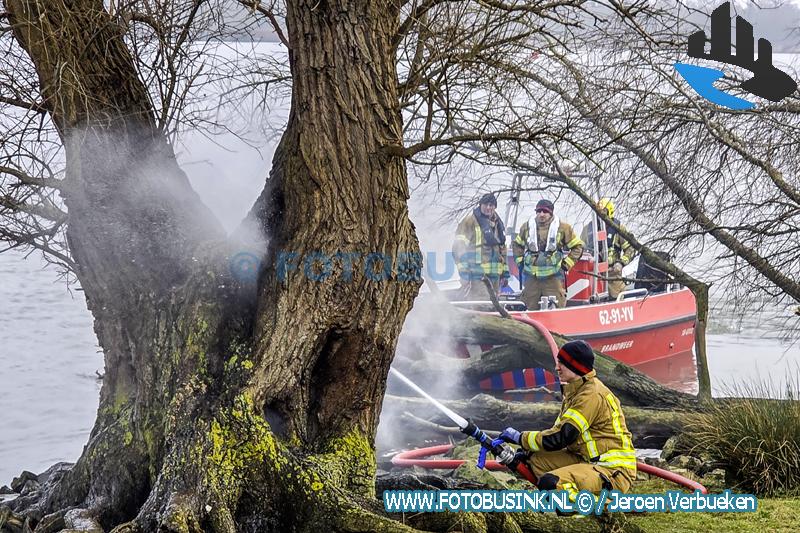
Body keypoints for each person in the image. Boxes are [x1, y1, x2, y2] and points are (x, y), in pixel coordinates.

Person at [498, 340, 636, 499]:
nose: (557, 367)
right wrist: (525, 449)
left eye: (562, 363)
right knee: (531, 459)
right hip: (586, 460)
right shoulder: (575, 393)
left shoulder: (590, 396)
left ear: (576, 366)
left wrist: (519, 437)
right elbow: (554, 433)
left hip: (612, 471)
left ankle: (602, 508)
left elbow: (560, 438)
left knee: (551, 484)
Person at [513, 199, 583, 309]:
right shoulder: (526, 227)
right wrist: (520, 262)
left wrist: (567, 264)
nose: (541, 214)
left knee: (556, 308)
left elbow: (577, 247)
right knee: (529, 308)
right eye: (538, 211)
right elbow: (517, 245)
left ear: (551, 213)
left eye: (545, 212)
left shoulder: (563, 228)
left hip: (553, 277)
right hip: (532, 278)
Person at [452, 193, 508, 300]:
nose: (488, 208)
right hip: (476, 275)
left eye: (491, 205)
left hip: (495, 275)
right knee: (480, 304)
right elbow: (458, 248)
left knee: (493, 305)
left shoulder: (498, 224)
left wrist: (505, 273)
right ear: (480, 205)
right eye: (485, 204)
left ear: (495, 207)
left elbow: (502, 249)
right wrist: (464, 273)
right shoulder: (470, 222)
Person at [597, 198, 636, 299]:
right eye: (598, 211)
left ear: (609, 211)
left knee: (617, 299)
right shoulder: (589, 229)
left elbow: (630, 249)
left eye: (604, 211)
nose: (600, 214)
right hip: (595, 275)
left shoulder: (618, 228)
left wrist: (620, 263)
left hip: (613, 276)